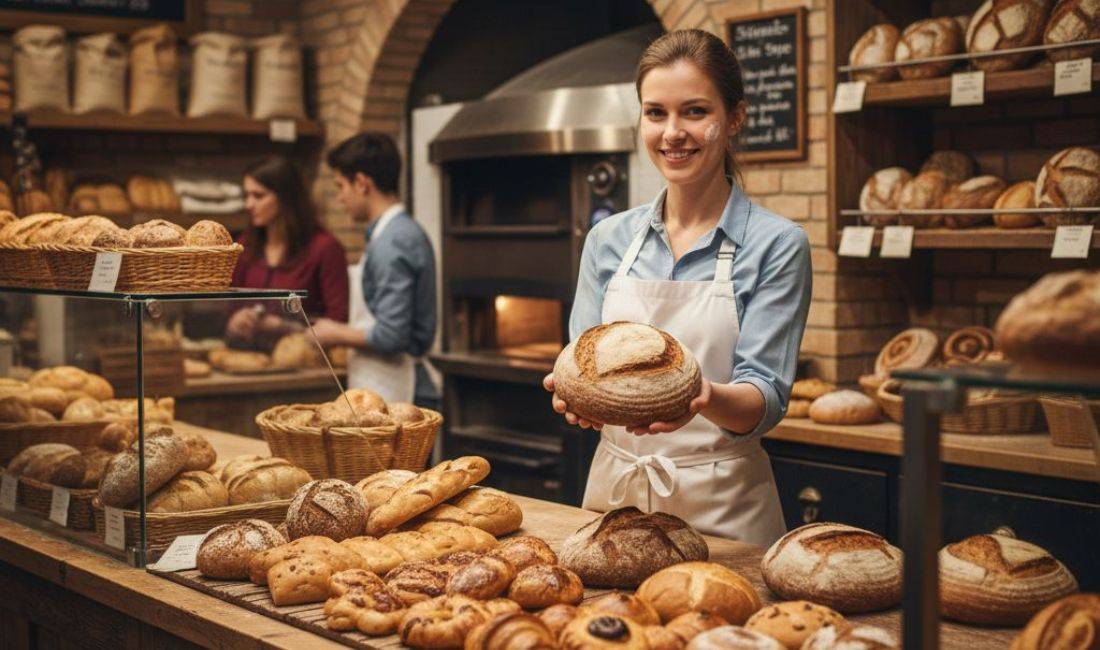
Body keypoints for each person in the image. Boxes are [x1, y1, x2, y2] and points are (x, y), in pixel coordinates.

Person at [543, 30, 812, 546]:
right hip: (614, 503)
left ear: (734, 118)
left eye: (694, 112)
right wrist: (574, 399)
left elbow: (766, 397)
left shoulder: (778, 244)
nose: (672, 133)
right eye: (655, 113)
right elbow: (580, 360)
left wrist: (700, 396)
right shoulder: (608, 239)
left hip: (724, 511)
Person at [310, 133, 439, 408]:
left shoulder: (393, 241)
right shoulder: (392, 234)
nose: (339, 199)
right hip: (387, 384)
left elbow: (392, 334)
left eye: (341, 186)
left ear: (362, 183)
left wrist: (335, 333)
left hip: (401, 390)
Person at [227, 157, 349, 348]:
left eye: (258, 196)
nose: (249, 204)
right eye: (247, 195)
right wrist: (236, 319)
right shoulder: (244, 246)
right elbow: (229, 305)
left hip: (306, 362)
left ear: (286, 198)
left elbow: (338, 321)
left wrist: (285, 326)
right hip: (248, 359)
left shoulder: (325, 248)